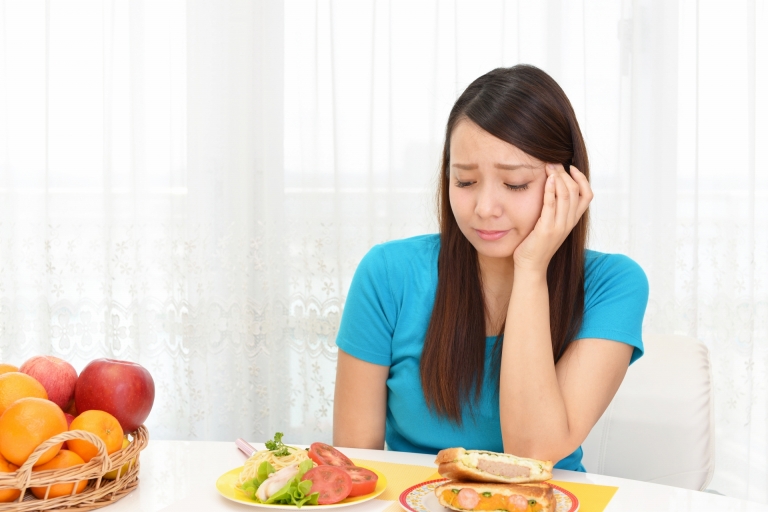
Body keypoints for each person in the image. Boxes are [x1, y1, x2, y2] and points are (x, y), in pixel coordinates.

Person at [332, 64, 648, 472]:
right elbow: (357, 460)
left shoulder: (614, 285)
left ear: (567, 183)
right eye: (464, 182)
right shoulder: (387, 274)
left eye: (515, 184)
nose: (483, 209)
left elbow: (531, 453)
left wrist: (532, 269)